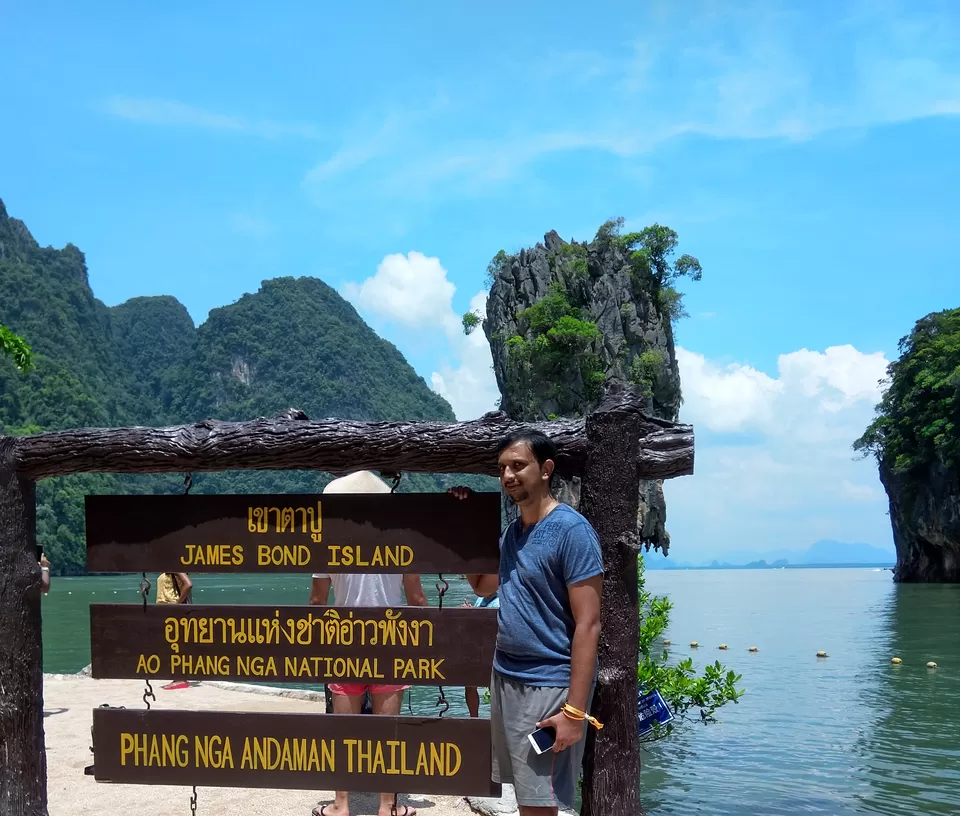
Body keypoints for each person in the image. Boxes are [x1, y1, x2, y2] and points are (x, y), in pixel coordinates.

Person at [451, 429, 603, 816]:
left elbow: (588, 624)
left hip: (547, 685)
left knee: (539, 805)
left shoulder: (572, 532)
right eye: (502, 467)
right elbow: (483, 584)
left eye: (518, 465)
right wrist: (465, 524)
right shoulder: (513, 534)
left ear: (546, 469)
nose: (508, 475)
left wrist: (574, 712)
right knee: (525, 799)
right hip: (506, 679)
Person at [309, 470, 427, 816]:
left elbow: (317, 602)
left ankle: (340, 804)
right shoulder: (402, 542)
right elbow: (417, 599)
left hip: (343, 642)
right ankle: (387, 805)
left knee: (344, 731)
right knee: (387, 732)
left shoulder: (329, 544)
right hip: (391, 642)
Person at [462, 589, 499, 718]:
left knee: (493, 688)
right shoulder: (481, 599)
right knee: (469, 685)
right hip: (477, 649)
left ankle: (495, 719)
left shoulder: (498, 602)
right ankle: (474, 718)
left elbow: (490, 626)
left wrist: (472, 613)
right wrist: (470, 613)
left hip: (491, 651)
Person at [155, 572, 193, 690]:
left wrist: (177, 603)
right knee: (171, 644)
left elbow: (188, 584)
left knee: (176, 645)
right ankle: (179, 678)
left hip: (174, 611)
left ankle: (181, 679)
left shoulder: (174, 567)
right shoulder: (167, 570)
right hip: (166, 611)